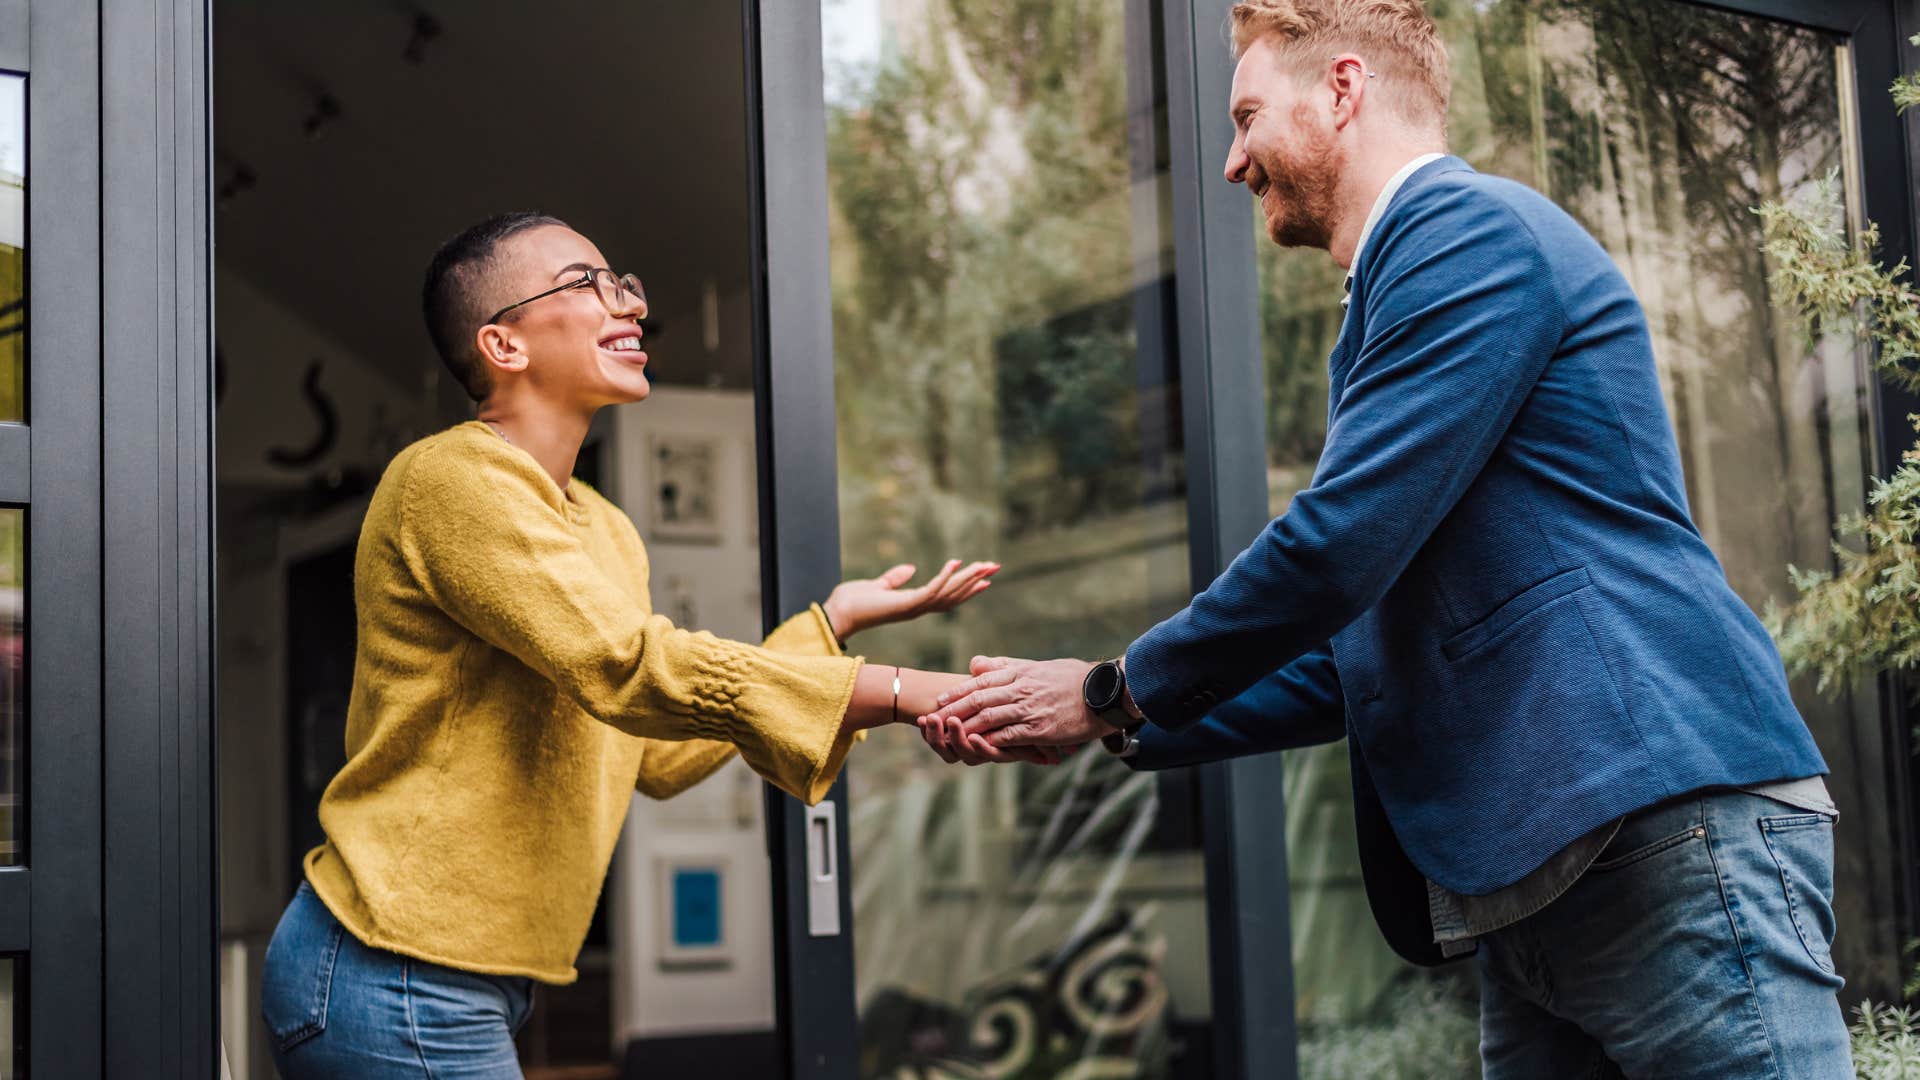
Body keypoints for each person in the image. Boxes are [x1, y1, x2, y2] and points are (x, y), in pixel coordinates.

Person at [917, 2, 1851, 1076]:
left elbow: (1333, 552)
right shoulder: (1399, 299)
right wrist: (1111, 710)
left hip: (1656, 830)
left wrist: (1114, 689)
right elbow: (1351, 649)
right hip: (1542, 882)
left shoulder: (1468, 235)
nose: (1231, 162)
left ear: (1345, 90)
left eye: (1247, 116)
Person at [259, 211, 1034, 1078]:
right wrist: (899, 691)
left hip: (463, 980)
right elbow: (628, 666)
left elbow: (651, 752)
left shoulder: (608, 530)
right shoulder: (449, 480)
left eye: (622, 282)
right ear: (503, 345)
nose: (629, 303)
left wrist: (828, 626)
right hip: (388, 967)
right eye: (587, 282)